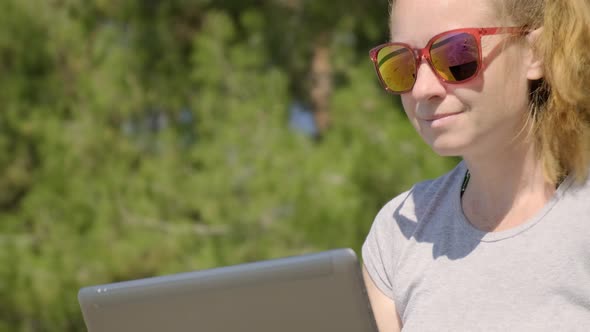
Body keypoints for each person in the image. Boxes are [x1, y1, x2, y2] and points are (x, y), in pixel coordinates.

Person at [362, 0, 590, 330]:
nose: (423, 89)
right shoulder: (398, 232)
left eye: (456, 54)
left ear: (536, 53)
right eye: (401, 64)